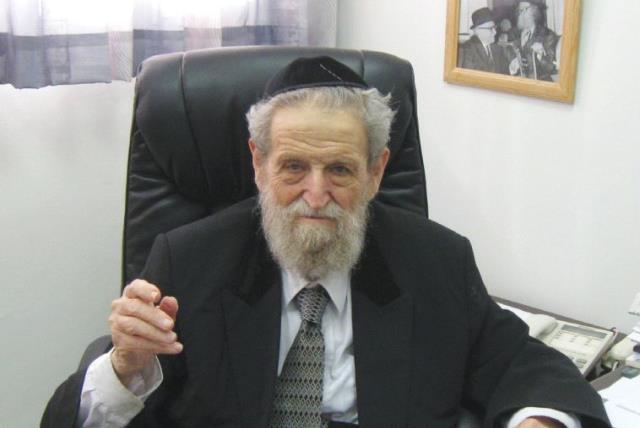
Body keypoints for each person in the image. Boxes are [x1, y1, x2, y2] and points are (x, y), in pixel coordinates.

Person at [42, 56, 611, 427]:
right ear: (259, 164)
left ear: (376, 172)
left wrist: (542, 421)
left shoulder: (435, 260)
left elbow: (524, 364)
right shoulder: (189, 258)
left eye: (339, 169)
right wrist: (126, 368)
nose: (316, 196)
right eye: (293, 167)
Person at [509, 0, 560, 80]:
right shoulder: (514, 35)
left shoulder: (547, 35)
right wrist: (512, 68)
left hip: (541, 84)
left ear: (535, 11)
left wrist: (541, 55)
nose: (522, 13)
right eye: (520, 10)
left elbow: (551, 68)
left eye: (525, 9)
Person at [457, 7, 510, 74]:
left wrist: (512, 68)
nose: (495, 32)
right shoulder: (467, 50)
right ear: (478, 30)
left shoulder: (497, 49)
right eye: (491, 28)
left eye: (495, 28)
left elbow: (505, 72)